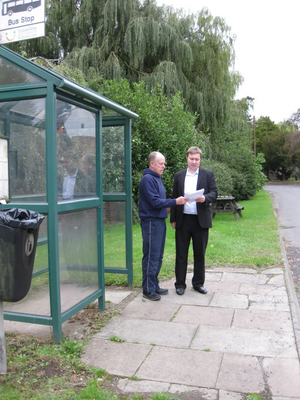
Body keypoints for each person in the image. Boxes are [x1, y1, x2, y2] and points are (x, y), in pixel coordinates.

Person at [139, 151, 188, 301]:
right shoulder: (148, 179)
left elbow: (159, 201)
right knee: (151, 256)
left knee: (158, 256)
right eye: (161, 163)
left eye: (164, 163)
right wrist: (175, 202)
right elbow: (155, 202)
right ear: (152, 164)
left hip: (159, 221)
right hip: (151, 222)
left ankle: (154, 285)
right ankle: (148, 289)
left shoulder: (156, 179)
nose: (164, 166)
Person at [170, 146, 217, 295]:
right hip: (183, 220)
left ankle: (198, 283)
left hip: (200, 220)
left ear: (200, 159)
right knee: (181, 253)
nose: (194, 162)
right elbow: (174, 196)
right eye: (192, 159)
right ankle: (180, 284)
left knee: (199, 254)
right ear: (187, 158)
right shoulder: (179, 176)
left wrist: (205, 198)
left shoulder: (208, 175)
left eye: (197, 159)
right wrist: (173, 218)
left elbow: (214, 193)